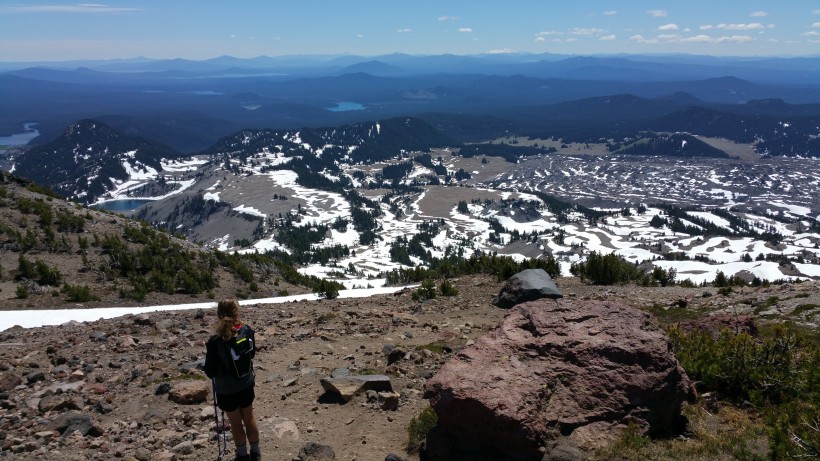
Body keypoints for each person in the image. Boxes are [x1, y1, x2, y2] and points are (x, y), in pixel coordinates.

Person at [204, 298, 261, 461]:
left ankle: (242, 455)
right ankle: (256, 453)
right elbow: (252, 354)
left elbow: (210, 371)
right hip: (246, 382)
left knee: (236, 424)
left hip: (227, 389)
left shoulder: (215, 341)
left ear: (218, 314)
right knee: (249, 418)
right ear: (236, 311)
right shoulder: (246, 330)